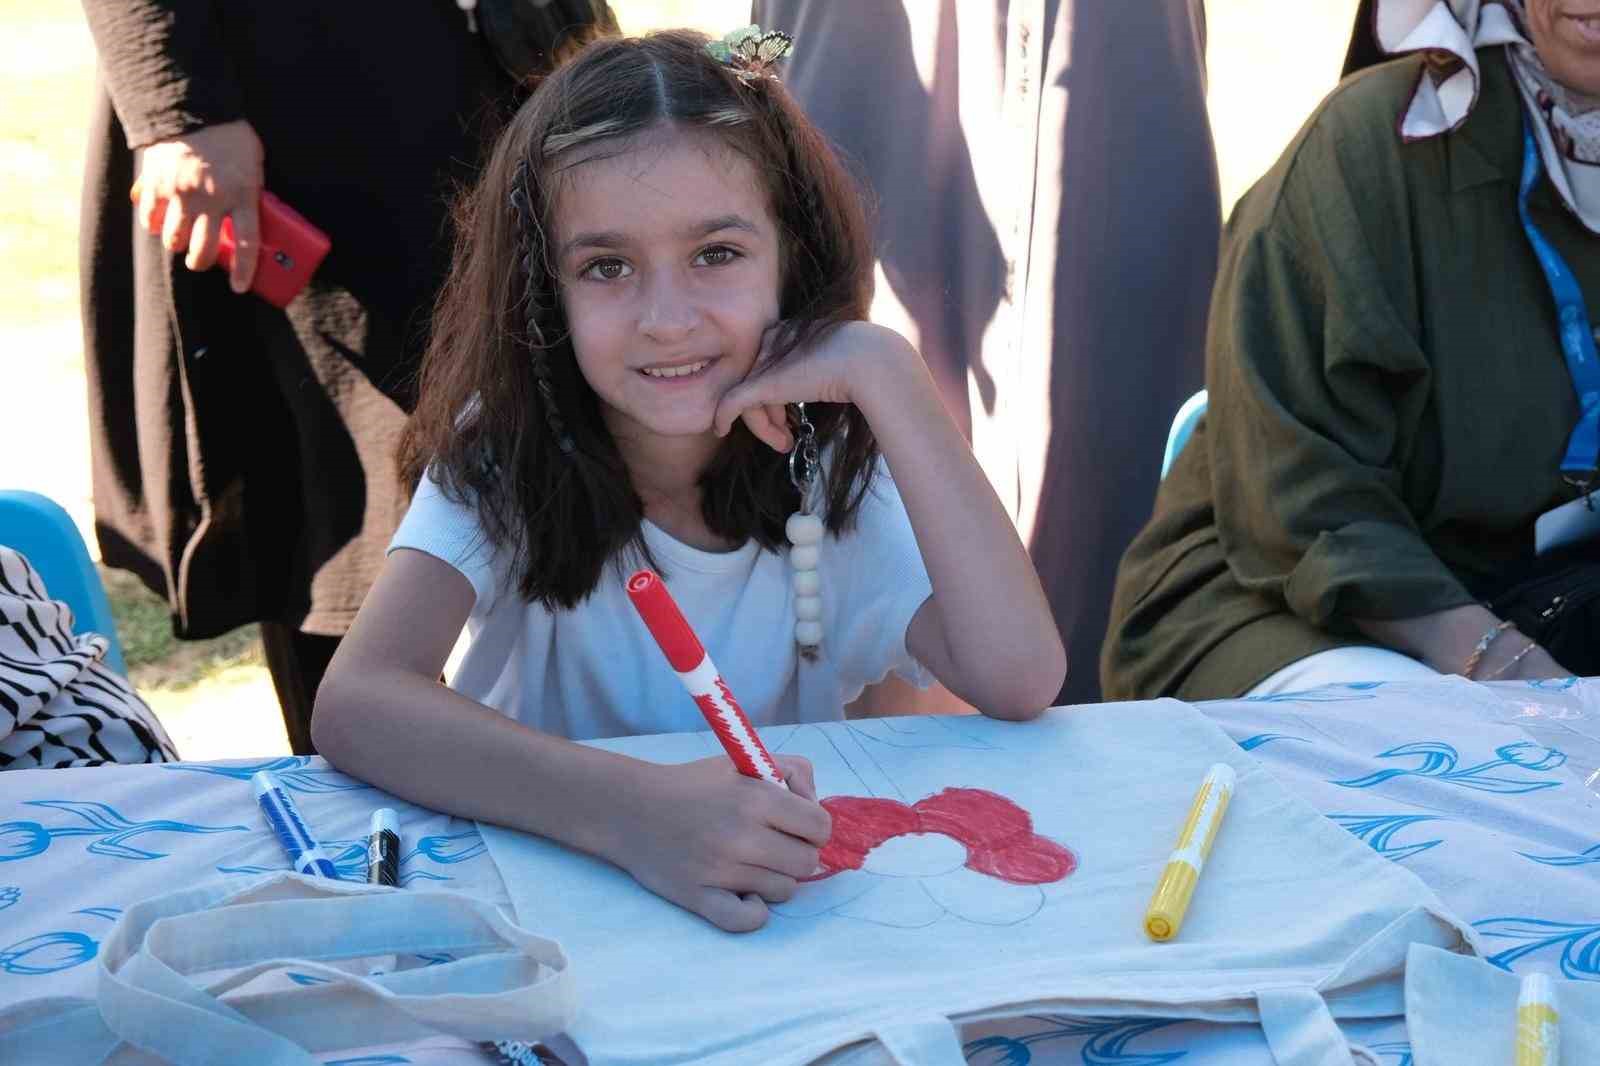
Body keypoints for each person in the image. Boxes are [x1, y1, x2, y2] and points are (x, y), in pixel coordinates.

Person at [311, 29, 1067, 932]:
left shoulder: (831, 467)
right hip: (552, 924)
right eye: (607, 267)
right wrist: (637, 813)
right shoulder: (504, 451)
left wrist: (887, 371)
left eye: (716, 253)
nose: (667, 320)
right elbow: (357, 703)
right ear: (543, 293)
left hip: (777, 929)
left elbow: (1019, 677)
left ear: (793, 255)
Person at [77, 1, 614, 755]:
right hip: (302, 105)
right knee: (341, 507)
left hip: (515, 61)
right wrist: (179, 107)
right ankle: (366, 801)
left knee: (568, 447)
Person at [1102, 0, 1599, 700]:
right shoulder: (1375, 146)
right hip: (1296, 610)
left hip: (1554, 603)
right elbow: (1304, 501)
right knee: (1442, 745)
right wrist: (1522, 682)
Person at [749, 0, 1223, 707]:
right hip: (870, 32)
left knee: (1095, 393)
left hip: (1103, 43)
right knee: (861, 355)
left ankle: (1089, 711)